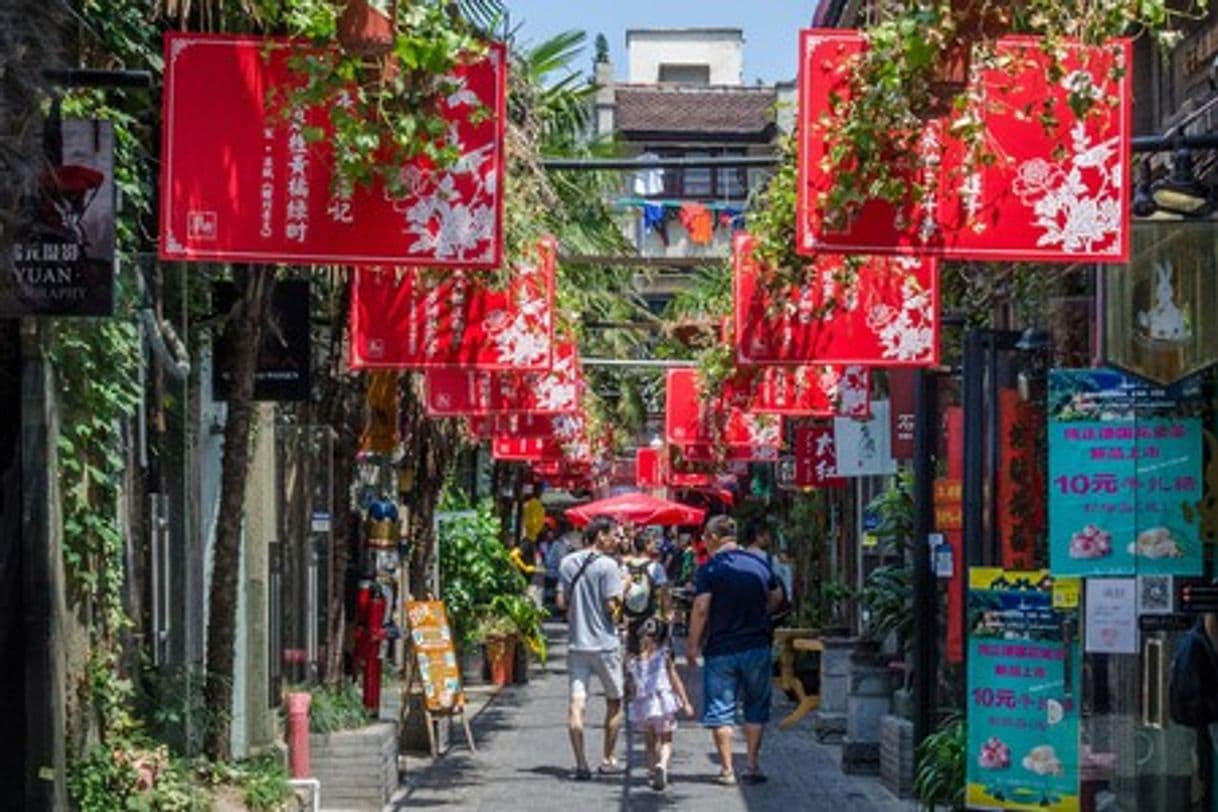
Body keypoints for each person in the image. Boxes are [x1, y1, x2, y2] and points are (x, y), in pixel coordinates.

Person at [686, 515, 784, 786]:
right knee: (755, 705)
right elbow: (776, 597)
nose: (704, 542)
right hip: (757, 645)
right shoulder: (758, 563)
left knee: (721, 707)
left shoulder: (711, 569)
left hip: (721, 648)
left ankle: (727, 769)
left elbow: (701, 608)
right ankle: (752, 765)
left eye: (705, 537)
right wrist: (759, 614)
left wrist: (693, 645)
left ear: (715, 538)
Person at [557, 516, 626, 780]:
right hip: (605, 644)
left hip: (577, 644)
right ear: (600, 536)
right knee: (614, 700)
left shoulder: (567, 562)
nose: (616, 540)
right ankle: (608, 757)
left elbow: (562, 603)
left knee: (577, 704)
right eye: (613, 535)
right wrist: (624, 590)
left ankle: (581, 763)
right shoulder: (609, 566)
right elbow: (612, 608)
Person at [626, 617, 694, 792]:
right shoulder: (664, 656)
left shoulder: (633, 661)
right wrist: (685, 702)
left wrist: (631, 699)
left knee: (649, 742)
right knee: (666, 739)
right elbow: (675, 680)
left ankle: (650, 773)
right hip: (663, 704)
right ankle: (662, 765)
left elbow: (631, 687)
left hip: (644, 706)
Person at [622, 533, 670, 654]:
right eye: (652, 542)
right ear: (646, 545)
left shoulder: (626, 566)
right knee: (648, 653)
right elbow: (663, 593)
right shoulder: (656, 567)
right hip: (650, 616)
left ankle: (632, 671)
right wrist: (667, 614)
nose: (655, 545)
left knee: (632, 651)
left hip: (629, 616)